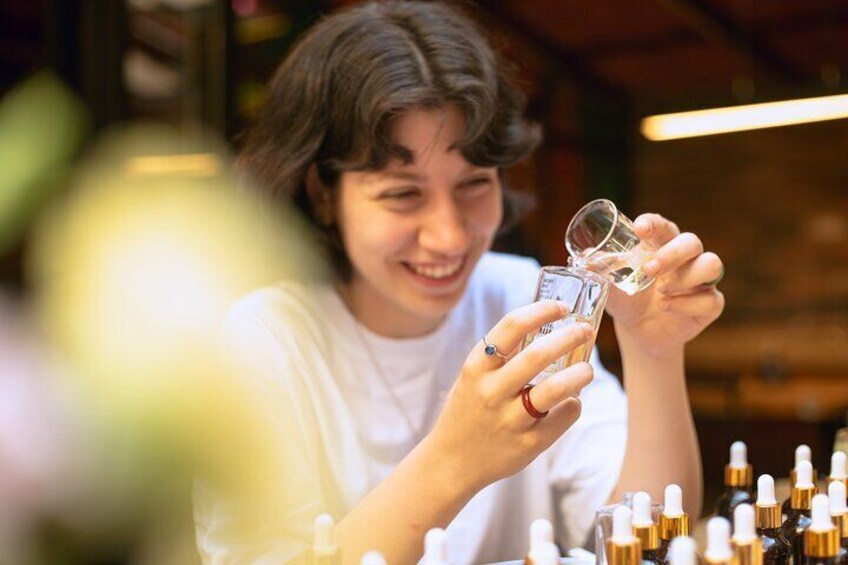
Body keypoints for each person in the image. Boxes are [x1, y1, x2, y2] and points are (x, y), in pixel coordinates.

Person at [193, 1, 725, 563]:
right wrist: (454, 462)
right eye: (402, 193)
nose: (448, 236)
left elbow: (648, 535)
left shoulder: (525, 298)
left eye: (474, 183)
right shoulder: (265, 340)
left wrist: (652, 353)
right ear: (325, 195)